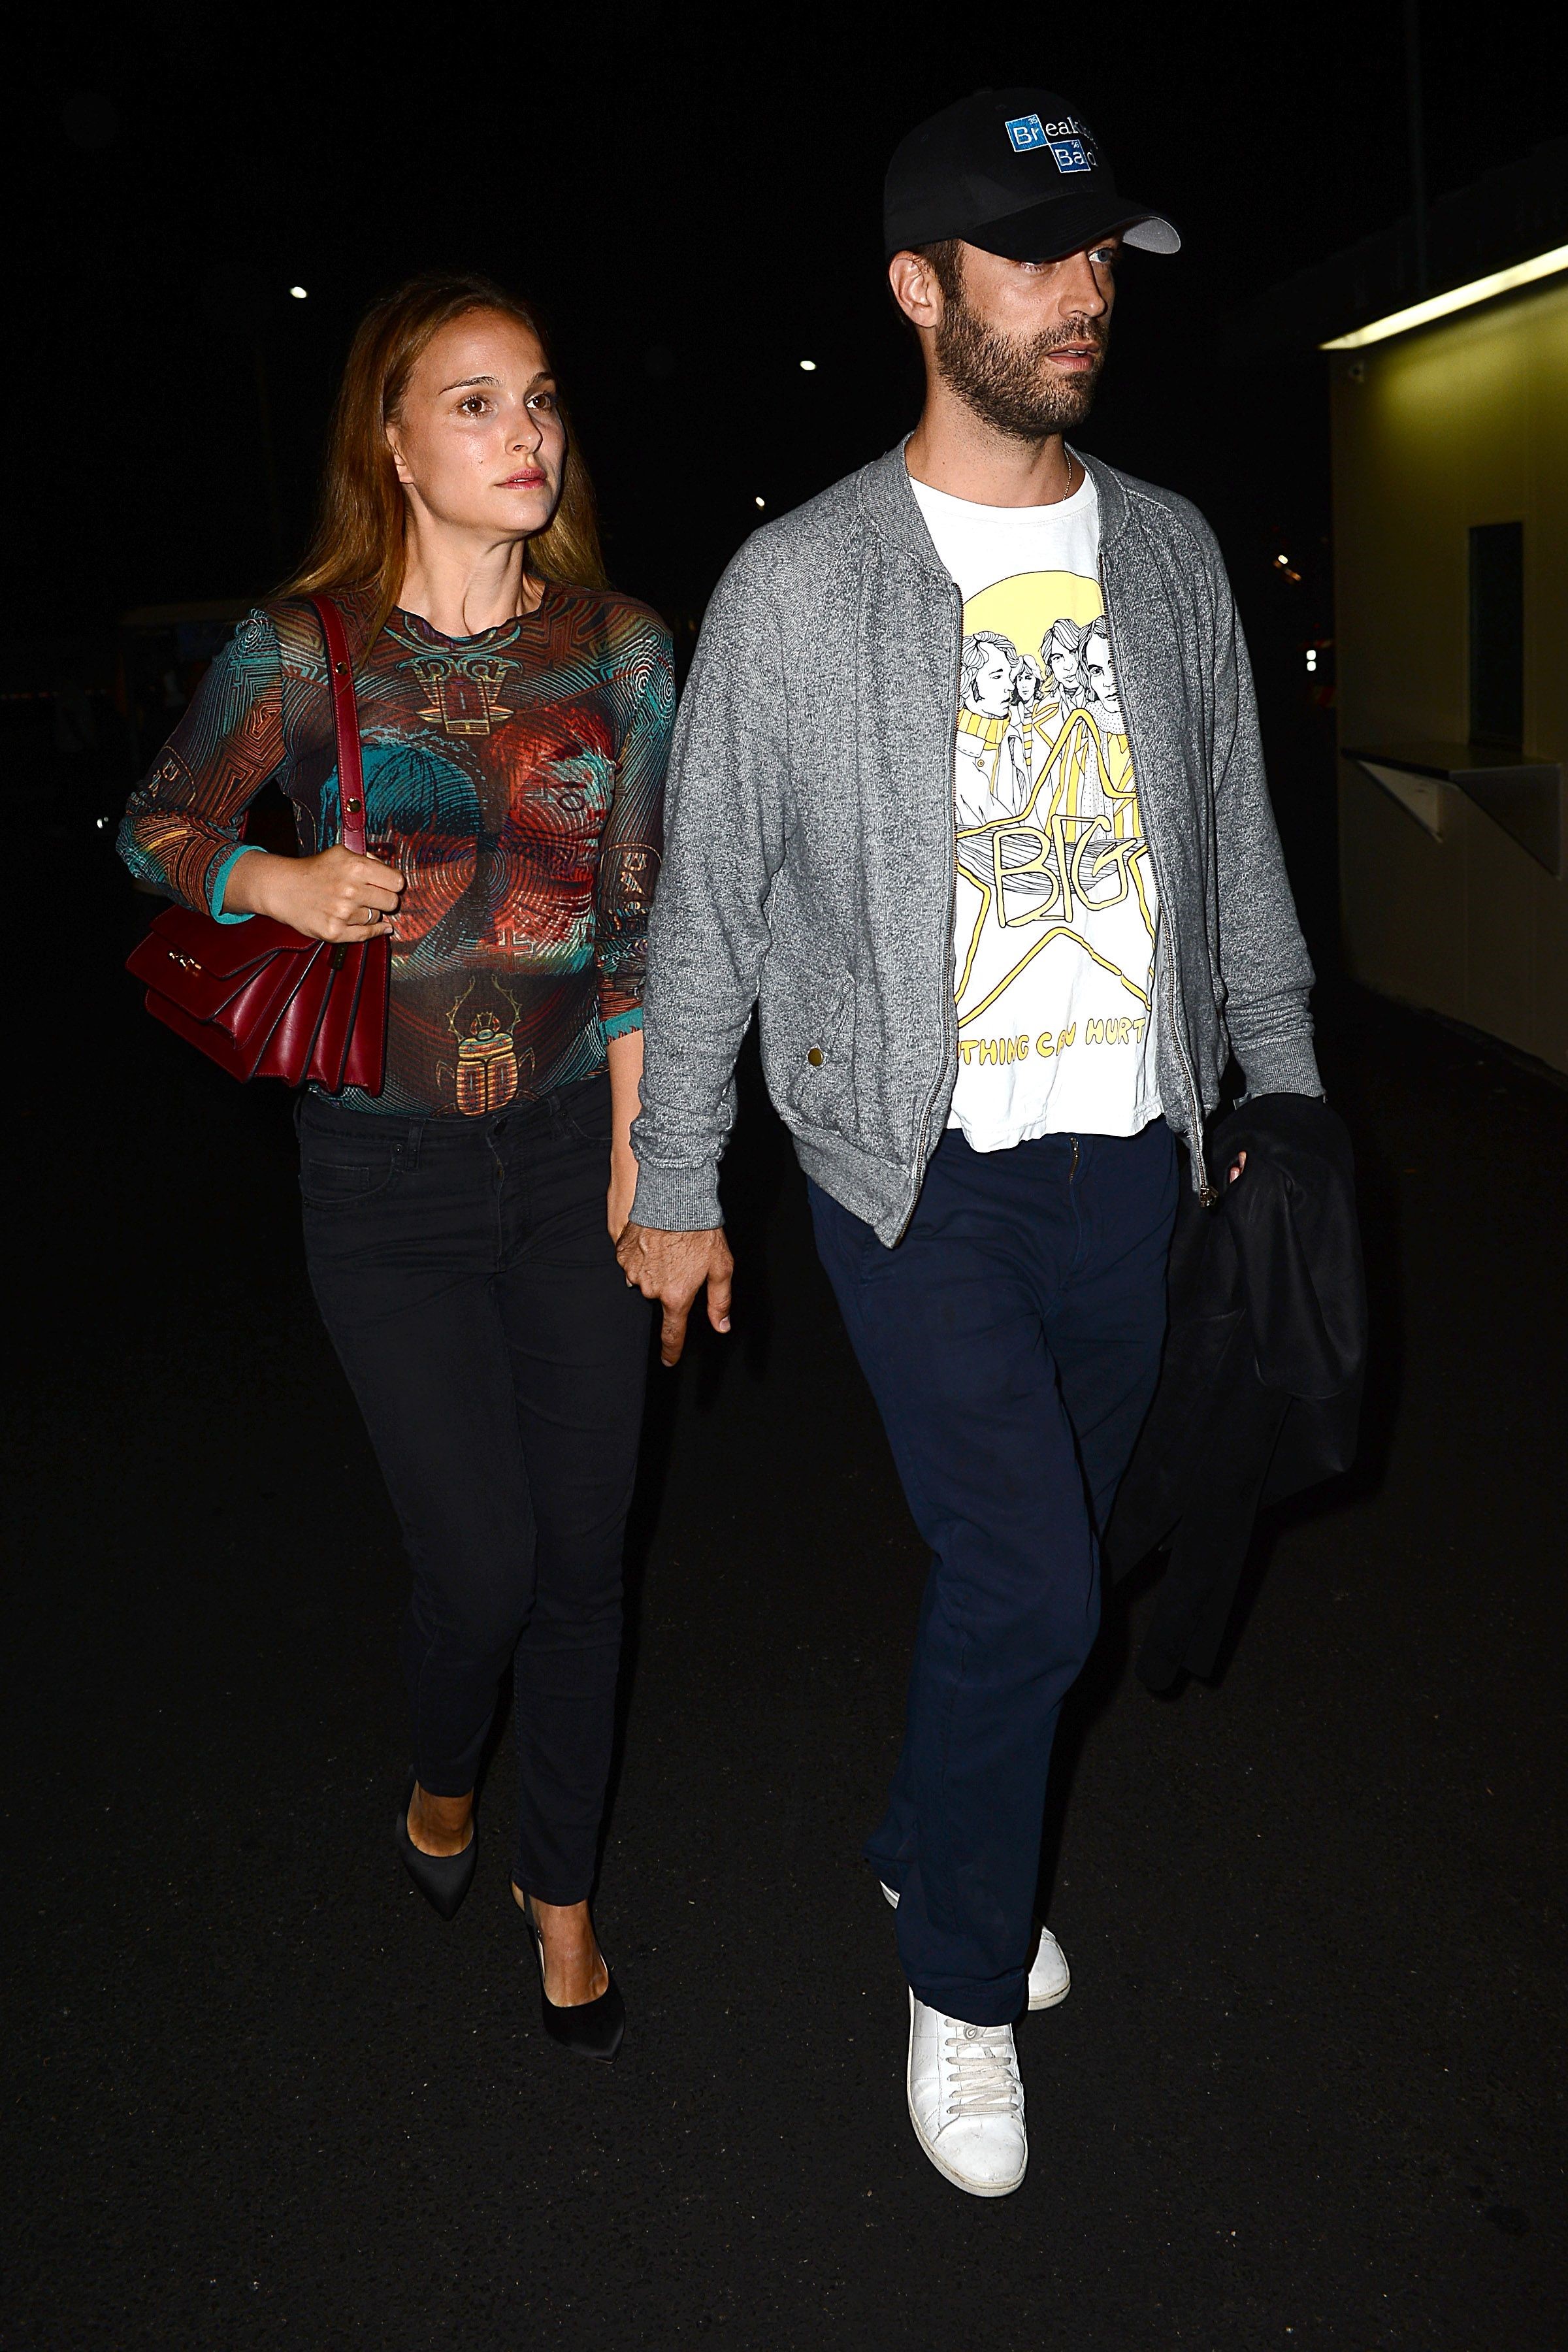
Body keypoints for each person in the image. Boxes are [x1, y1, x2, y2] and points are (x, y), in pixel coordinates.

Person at [617, 87, 1318, 2188]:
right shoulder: (802, 584)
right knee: (1026, 1576)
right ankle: (959, 1978)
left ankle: (932, 1838)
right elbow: (711, 909)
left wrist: (1278, 1098)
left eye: (1103, 249)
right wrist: (672, 1199)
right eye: (1035, 251)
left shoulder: (1174, 551)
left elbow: (1238, 865)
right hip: (912, 1169)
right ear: (921, 289)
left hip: (1141, 1153)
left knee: (1067, 1563)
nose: (1086, 290)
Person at [120, 273, 671, 2063]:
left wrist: (657, 1164)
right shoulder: (308, 648)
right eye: (477, 403)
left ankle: (562, 1887)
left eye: (542, 398)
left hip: (578, 1147)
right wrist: (273, 884)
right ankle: (446, 1773)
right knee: (488, 1570)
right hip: (384, 1184)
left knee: (590, 1557)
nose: (528, 433)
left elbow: (650, 919)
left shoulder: (621, 646)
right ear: (395, 443)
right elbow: (154, 822)